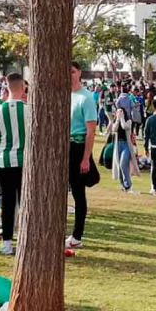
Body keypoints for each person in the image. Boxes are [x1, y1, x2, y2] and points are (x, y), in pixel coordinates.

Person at [0, 73, 29, 255]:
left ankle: (7, 243)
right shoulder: (30, 110)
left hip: (4, 161)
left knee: (7, 202)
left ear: (7, 87)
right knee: (25, 202)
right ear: (23, 88)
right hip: (26, 162)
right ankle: (25, 239)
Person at [68, 62, 99, 249]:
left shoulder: (86, 98)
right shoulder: (66, 95)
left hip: (78, 147)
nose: (70, 75)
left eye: (72, 71)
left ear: (79, 73)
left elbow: (90, 131)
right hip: (65, 147)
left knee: (78, 193)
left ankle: (77, 235)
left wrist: (86, 157)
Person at [110, 94, 138, 192]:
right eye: (118, 112)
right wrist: (117, 119)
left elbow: (124, 127)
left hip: (126, 144)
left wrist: (121, 118)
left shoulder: (129, 121)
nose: (119, 113)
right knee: (119, 165)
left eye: (121, 112)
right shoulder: (116, 120)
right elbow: (114, 129)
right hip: (118, 144)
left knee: (123, 164)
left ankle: (128, 184)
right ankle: (123, 184)